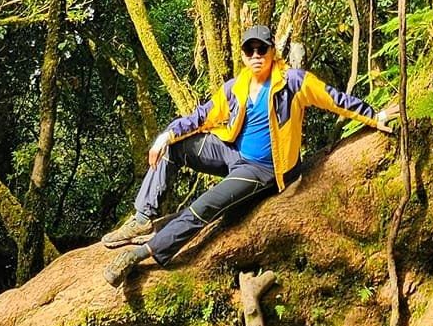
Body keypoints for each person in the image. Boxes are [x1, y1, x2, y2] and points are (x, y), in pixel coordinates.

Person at [103, 22, 391, 287]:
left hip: (261, 168)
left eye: (261, 49)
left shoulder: (292, 83)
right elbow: (203, 115)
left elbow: (336, 99)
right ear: (243, 55)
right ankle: (142, 218)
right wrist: (166, 135)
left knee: (206, 205)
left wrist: (374, 116)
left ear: (272, 51)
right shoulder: (236, 87)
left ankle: (144, 252)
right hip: (231, 151)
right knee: (172, 146)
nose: (256, 55)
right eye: (250, 50)